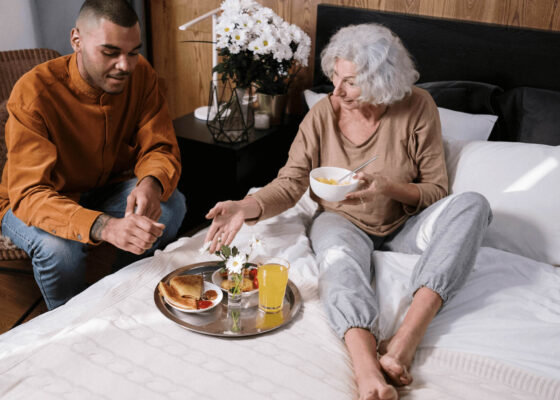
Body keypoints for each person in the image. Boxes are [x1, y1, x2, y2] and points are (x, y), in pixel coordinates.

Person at [204, 23, 492, 400]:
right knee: (338, 262)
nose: (337, 91)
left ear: (382, 81)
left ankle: (406, 340)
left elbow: (437, 190)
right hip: (341, 220)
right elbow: (291, 182)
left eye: (351, 83)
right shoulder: (323, 115)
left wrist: (388, 186)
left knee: (475, 205)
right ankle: (368, 368)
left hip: (407, 224)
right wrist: (245, 206)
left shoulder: (418, 106)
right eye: (335, 78)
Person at [0, 0, 186, 310]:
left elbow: (159, 146)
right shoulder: (33, 92)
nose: (125, 65)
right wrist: (105, 226)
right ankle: (68, 320)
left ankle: (118, 296)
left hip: (104, 188)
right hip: (31, 203)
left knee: (171, 204)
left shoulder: (141, 76)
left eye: (133, 52)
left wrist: (151, 182)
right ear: (77, 40)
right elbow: (31, 193)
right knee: (61, 249)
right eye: (110, 53)